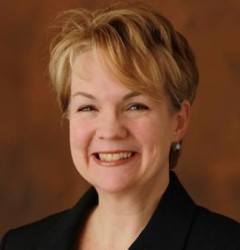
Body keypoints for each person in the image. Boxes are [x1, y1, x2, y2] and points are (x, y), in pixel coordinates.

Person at [1, 3, 239, 250]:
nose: (110, 130)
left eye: (135, 106)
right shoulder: (20, 244)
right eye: (88, 108)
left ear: (179, 121)